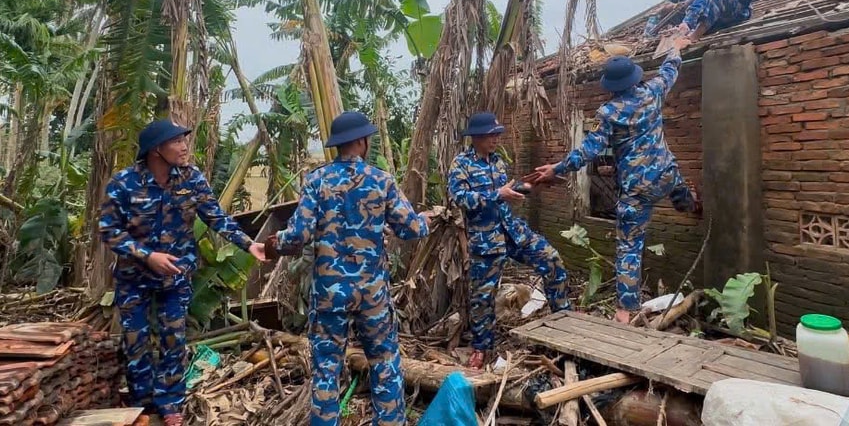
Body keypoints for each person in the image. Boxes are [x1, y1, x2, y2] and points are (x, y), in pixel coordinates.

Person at [265, 111, 430, 426]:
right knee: (384, 363)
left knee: (326, 367)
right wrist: (425, 220)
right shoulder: (381, 180)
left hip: (330, 293)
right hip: (372, 295)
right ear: (361, 141)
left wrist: (276, 243)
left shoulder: (317, 180)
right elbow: (412, 230)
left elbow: (298, 237)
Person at [100, 119, 268, 426]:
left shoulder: (191, 179)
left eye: (184, 140)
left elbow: (217, 217)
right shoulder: (124, 183)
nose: (184, 146)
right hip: (133, 278)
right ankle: (141, 405)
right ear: (156, 150)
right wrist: (148, 256)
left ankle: (170, 403)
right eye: (177, 141)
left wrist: (249, 245)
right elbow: (109, 231)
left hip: (175, 277)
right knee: (135, 341)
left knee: (173, 340)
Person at [527, 39, 701, 325]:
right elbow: (670, 70)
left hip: (637, 188)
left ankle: (624, 311)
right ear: (635, 78)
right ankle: (691, 204)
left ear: (611, 86)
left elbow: (589, 150)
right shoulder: (653, 91)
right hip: (666, 173)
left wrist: (557, 168)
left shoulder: (609, 113)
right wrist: (676, 48)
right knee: (679, 190)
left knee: (629, 248)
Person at [448, 112, 570, 370]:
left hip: (513, 231)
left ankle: (563, 316)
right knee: (482, 297)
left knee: (552, 259)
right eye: (491, 135)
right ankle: (482, 347)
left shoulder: (498, 162)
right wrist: (497, 194)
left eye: (497, 135)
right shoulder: (461, 164)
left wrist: (530, 186)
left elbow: (506, 193)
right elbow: (459, 198)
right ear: (477, 137)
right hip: (485, 238)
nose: (496, 139)